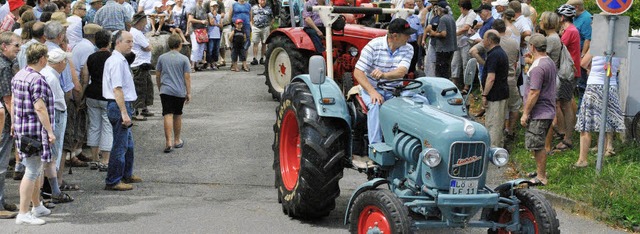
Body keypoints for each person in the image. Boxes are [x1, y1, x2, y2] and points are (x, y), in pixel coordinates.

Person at [13, 42, 55, 225]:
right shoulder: (36, 79)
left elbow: (14, 100)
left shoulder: (20, 74)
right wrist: (50, 131)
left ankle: (36, 206)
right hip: (34, 130)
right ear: (42, 59)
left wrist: (14, 123)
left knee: (35, 169)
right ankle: (23, 212)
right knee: (31, 171)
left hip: (23, 128)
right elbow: (39, 107)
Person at [354, 18, 415, 144]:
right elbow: (358, 72)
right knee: (375, 105)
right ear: (395, 36)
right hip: (372, 88)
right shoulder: (373, 46)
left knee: (419, 102)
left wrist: (384, 75)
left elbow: (402, 71)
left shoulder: (408, 48)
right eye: (406, 34)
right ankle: (376, 147)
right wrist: (372, 92)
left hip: (394, 90)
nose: (409, 37)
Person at [103, 30, 143, 191]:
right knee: (120, 145)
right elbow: (117, 89)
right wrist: (124, 113)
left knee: (128, 144)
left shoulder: (119, 60)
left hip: (122, 104)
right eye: (128, 41)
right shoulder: (117, 62)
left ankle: (126, 173)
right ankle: (113, 180)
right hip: (119, 105)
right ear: (118, 42)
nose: (131, 45)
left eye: (132, 41)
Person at [574, 50, 624, 168]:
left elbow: (583, 63)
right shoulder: (618, 47)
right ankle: (601, 159)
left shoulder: (596, 46)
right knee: (606, 124)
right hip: (611, 87)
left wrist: (591, 65)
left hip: (594, 86)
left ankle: (582, 160)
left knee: (586, 125)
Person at [40, 48, 77, 204]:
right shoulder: (51, 77)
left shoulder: (49, 74)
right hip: (55, 115)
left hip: (56, 114)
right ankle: (48, 191)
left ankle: (50, 190)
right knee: (52, 154)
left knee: (51, 155)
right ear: (61, 63)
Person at [520, 33, 556, 186]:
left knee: (537, 144)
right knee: (536, 142)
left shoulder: (538, 68)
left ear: (532, 47)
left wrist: (526, 113)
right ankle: (539, 170)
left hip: (539, 112)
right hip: (548, 109)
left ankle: (541, 177)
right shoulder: (548, 61)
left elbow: (534, 92)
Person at [156, 34, 191, 153]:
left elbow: (158, 74)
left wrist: (160, 87)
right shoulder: (184, 59)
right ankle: (177, 140)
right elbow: (187, 77)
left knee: (167, 114)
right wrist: (188, 92)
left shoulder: (162, 58)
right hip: (179, 91)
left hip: (165, 90)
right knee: (177, 114)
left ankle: (168, 142)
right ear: (179, 45)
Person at [84, 29, 113, 172]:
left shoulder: (91, 57)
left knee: (94, 126)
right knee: (107, 126)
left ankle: (94, 158)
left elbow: (85, 77)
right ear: (109, 42)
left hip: (92, 93)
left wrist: (81, 96)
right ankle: (105, 160)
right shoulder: (112, 57)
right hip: (107, 95)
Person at [553, 4, 580, 152]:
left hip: (568, 73)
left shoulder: (570, 31)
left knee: (566, 104)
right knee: (562, 102)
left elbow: (558, 47)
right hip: (568, 72)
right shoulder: (570, 30)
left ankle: (568, 138)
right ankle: (563, 133)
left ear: (562, 17)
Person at [0, 31, 20, 220]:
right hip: (4, 122)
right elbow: (8, 100)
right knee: (1, 165)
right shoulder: (5, 66)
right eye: (16, 46)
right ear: (4, 46)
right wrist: (15, 122)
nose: (18, 50)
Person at [480, 30, 509, 148]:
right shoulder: (500, 52)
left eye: (484, 39)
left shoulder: (494, 55)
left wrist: (484, 95)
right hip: (501, 93)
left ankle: (494, 150)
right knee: (497, 123)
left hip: (496, 95)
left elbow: (491, 78)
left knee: (494, 124)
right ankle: (498, 146)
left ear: (490, 40)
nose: (482, 41)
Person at [130, 12, 155, 121]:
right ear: (140, 22)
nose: (146, 24)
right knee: (140, 87)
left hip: (143, 63)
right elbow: (147, 47)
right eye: (144, 21)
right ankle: (136, 110)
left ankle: (144, 108)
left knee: (147, 86)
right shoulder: (136, 33)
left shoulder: (137, 32)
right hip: (139, 63)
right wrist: (149, 46)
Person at [567, 0, 591, 105]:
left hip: (581, 56)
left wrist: (582, 55)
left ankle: (580, 110)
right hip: (574, 55)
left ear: (576, 7)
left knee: (582, 86)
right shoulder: (574, 18)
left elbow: (588, 39)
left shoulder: (586, 19)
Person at [425, 1, 455, 78]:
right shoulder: (451, 18)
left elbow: (443, 34)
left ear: (441, 9)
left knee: (441, 71)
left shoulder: (443, 19)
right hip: (450, 49)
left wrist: (432, 33)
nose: (436, 10)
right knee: (447, 70)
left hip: (443, 49)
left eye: (437, 8)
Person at [451, 0, 475, 90]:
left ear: (463, 7)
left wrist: (454, 34)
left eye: (460, 7)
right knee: (455, 63)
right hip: (458, 42)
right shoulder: (462, 15)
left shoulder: (471, 14)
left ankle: (467, 86)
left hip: (465, 42)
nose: (459, 9)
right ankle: (454, 84)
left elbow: (466, 27)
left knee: (466, 63)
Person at [187, 0, 208, 71]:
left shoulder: (203, 8)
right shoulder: (193, 7)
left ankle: (197, 65)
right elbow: (190, 19)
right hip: (194, 30)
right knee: (195, 47)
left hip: (202, 30)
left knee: (201, 48)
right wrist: (201, 21)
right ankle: (192, 65)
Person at [249, 0, 272, 65]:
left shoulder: (269, 8)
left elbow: (272, 18)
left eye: (264, 0)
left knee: (264, 43)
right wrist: (252, 26)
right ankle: (255, 58)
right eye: (261, 0)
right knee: (255, 43)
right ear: (258, 1)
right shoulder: (253, 8)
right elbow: (251, 17)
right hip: (256, 27)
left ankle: (262, 58)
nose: (263, 1)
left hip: (265, 28)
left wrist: (269, 26)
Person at [207, 1, 222, 70]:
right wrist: (214, 16)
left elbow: (221, 25)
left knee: (216, 50)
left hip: (217, 35)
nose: (214, 8)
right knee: (210, 50)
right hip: (211, 34)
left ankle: (214, 63)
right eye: (213, 6)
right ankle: (209, 63)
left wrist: (217, 24)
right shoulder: (209, 15)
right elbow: (211, 23)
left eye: (215, 6)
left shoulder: (219, 15)